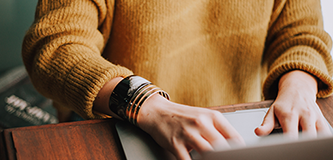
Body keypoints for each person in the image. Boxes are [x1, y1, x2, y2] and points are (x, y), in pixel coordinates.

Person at [22, 0, 333, 159]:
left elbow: (301, 33)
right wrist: (146, 104)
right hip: (123, 122)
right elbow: (55, 46)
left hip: (241, 130)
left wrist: (300, 84)